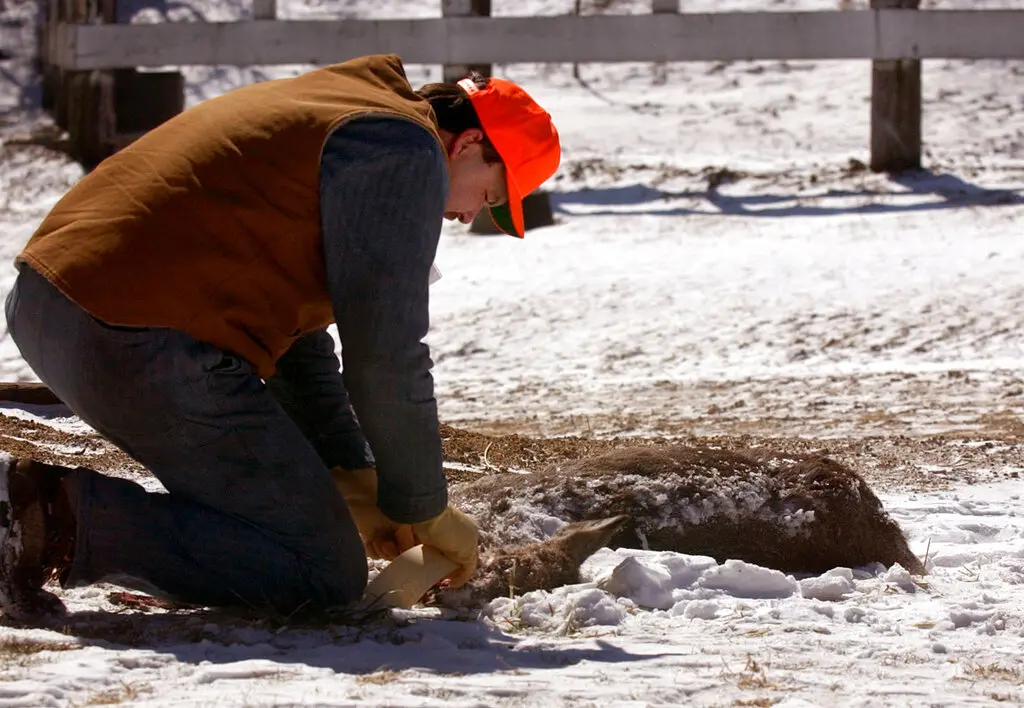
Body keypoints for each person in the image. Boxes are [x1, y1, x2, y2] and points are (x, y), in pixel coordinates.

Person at [0, 53, 561, 620]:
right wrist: (423, 505)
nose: (467, 217)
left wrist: (349, 470)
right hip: (132, 334)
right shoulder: (405, 151)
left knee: (290, 531)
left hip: (54, 304)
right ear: (466, 146)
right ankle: (35, 518)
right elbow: (386, 355)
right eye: (488, 196)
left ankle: (38, 516)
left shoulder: (346, 107)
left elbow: (299, 339)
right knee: (319, 568)